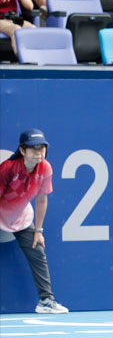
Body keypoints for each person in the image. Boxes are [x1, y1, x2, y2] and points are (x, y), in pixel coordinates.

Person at [0, 129, 68, 313]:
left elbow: (41, 199)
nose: (39, 153)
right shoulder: (7, 169)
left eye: (42, 148)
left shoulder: (45, 168)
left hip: (21, 217)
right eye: (33, 148)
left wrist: (38, 231)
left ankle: (46, 301)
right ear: (22, 150)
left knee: (37, 253)